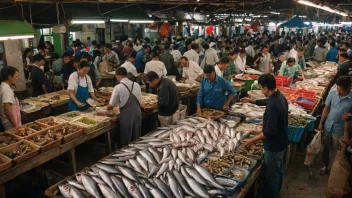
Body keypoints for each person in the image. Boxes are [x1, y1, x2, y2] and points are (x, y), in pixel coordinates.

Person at [241, 74, 288, 198]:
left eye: (261, 88)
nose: (261, 91)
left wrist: (252, 140)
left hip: (273, 146)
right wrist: (252, 101)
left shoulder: (273, 104)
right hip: (282, 142)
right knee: (278, 171)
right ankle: (277, 191)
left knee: (272, 176)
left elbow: (269, 132)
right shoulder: (279, 96)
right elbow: (267, 102)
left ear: (266, 88)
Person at [318, 76, 352, 175]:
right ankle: (325, 165)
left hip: (340, 129)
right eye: (337, 88)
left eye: (341, 90)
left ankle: (333, 169)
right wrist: (321, 123)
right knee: (326, 147)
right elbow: (326, 108)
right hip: (328, 126)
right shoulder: (333, 93)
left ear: (348, 88)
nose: (338, 91)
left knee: (337, 150)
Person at [107, 67, 141, 148]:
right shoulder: (136, 85)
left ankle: (126, 157)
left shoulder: (118, 87)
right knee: (136, 138)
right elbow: (139, 101)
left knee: (125, 139)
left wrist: (105, 108)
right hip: (137, 113)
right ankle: (137, 156)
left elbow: (111, 105)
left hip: (126, 116)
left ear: (118, 75)